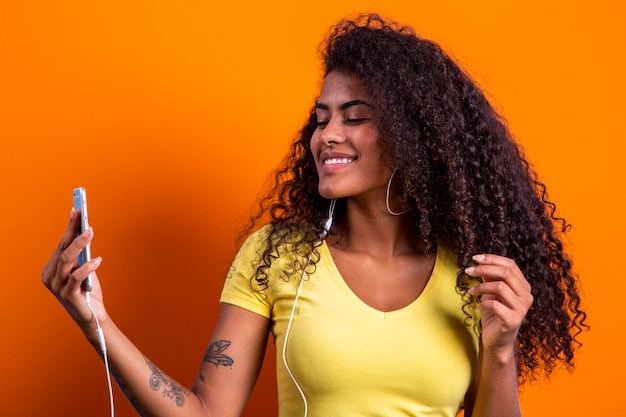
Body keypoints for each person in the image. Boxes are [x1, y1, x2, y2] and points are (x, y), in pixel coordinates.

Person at [42, 13, 587, 417]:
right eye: (321, 118)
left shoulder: (475, 277)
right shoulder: (277, 256)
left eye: (354, 118)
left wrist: (500, 348)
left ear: (412, 140)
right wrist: (97, 322)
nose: (327, 135)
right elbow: (204, 413)